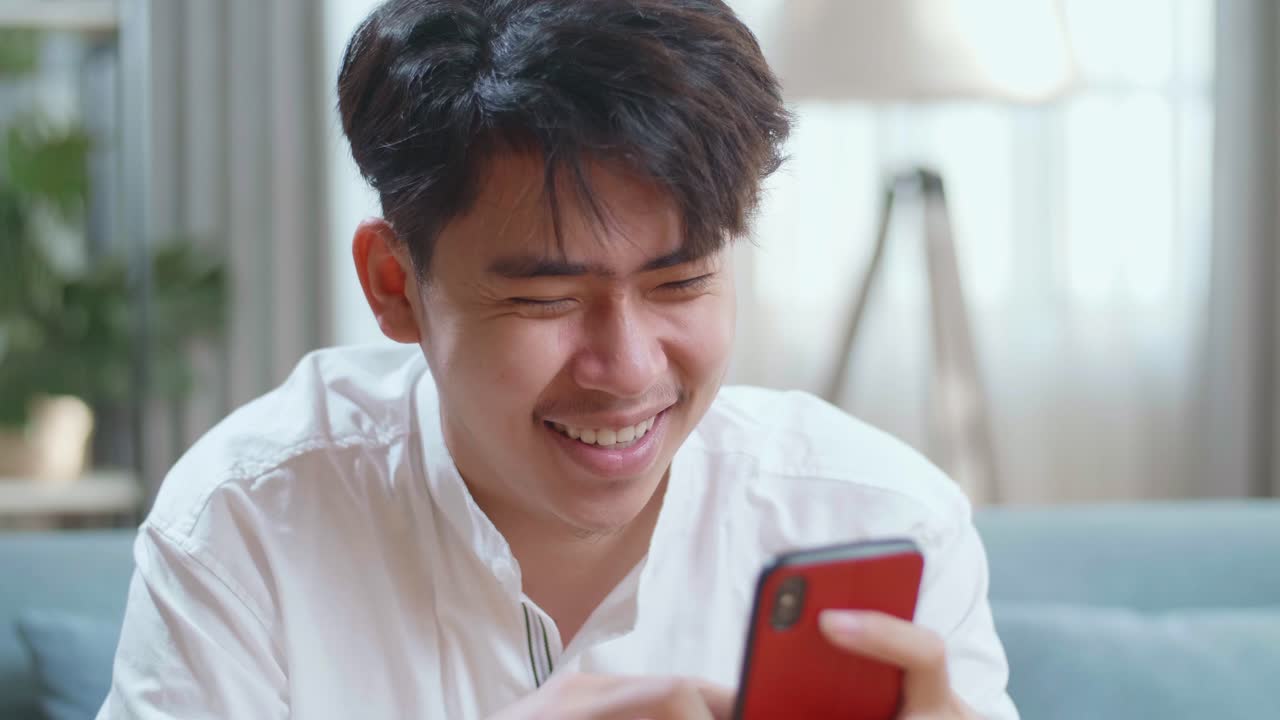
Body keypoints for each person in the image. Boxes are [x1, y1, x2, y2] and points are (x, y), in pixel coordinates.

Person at [98, 1, 1017, 718]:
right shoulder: (247, 525)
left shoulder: (880, 515)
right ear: (394, 285)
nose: (628, 369)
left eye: (681, 283)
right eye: (546, 299)